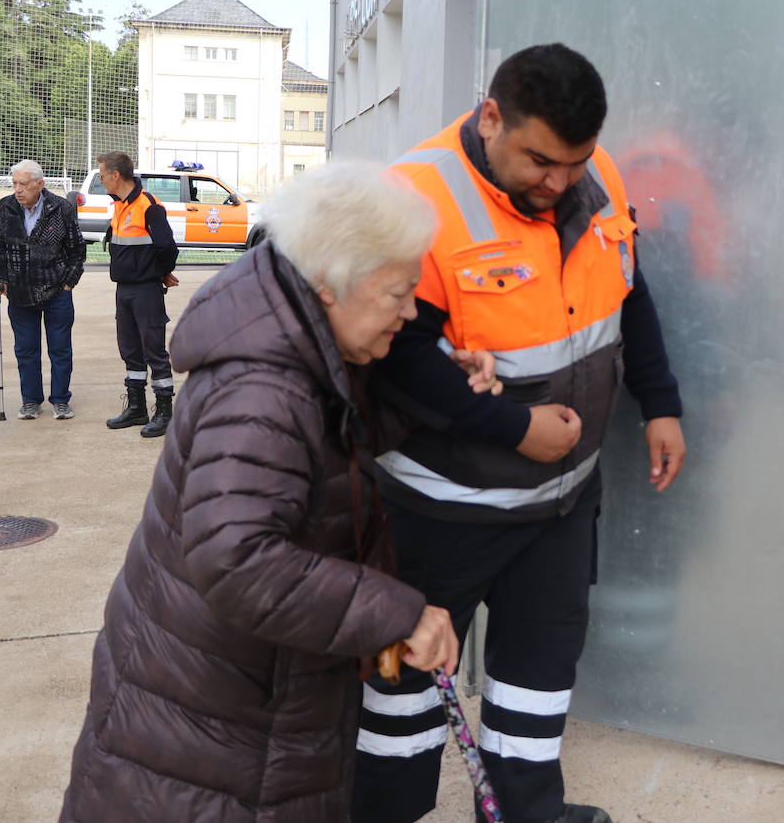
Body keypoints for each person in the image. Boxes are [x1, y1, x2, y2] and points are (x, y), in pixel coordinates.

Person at [59, 161, 508, 822]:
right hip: (216, 727)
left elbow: (328, 441)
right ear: (332, 286)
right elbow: (237, 559)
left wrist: (438, 387)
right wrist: (398, 613)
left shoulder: (291, 339)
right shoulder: (263, 387)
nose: (411, 311)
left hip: (227, 696)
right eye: (397, 294)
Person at [355, 44, 687, 823]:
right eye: (541, 160)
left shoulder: (595, 173)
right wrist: (513, 427)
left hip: (562, 507)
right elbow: (394, 358)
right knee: (400, 691)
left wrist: (660, 400)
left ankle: (527, 813)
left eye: (572, 163)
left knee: (537, 683)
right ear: (491, 115)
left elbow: (627, 295)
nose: (559, 182)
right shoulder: (413, 197)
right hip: (436, 512)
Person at [0, 159, 87, 420]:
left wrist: (68, 283)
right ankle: (30, 401)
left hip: (57, 291)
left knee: (60, 348)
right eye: (15, 184)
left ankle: (61, 400)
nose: (18, 189)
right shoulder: (5, 207)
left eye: (24, 184)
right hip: (19, 292)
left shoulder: (61, 208)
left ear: (40, 184)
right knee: (26, 349)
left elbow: (77, 250)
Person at [97, 151, 178, 438]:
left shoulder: (149, 206)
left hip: (145, 289)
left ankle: (165, 412)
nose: (101, 179)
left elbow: (168, 248)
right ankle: (137, 408)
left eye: (102, 174)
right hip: (125, 288)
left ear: (116, 175)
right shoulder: (119, 205)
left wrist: (159, 273)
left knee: (153, 349)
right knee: (130, 349)